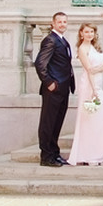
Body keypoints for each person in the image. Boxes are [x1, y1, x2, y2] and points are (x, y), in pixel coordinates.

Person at [67, 23, 103, 166]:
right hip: (90, 85)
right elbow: (89, 70)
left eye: (92, 32)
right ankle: (89, 155)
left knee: (102, 120)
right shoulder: (82, 49)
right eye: (87, 32)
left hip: (98, 84)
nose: (90, 34)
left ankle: (99, 154)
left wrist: (100, 69)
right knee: (90, 120)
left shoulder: (96, 47)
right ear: (81, 34)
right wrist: (94, 90)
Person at [34, 11, 75, 167]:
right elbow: (40, 63)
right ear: (53, 24)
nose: (62, 24)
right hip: (53, 89)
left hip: (64, 88)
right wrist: (49, 82)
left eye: (65, 22)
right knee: (48, 123)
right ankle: (46, 157)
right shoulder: (50, 40)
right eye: (59, 22)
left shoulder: (62, 40)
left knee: (57, 123)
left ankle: (54, 153)